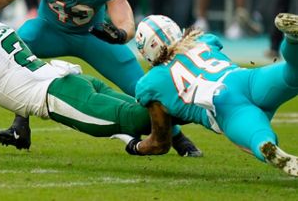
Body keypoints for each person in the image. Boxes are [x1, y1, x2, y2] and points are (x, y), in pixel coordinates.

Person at [0, 0, 202, 163]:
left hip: (62, 97)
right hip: (74, 81)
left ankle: (205, 98)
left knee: (140, 119)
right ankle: (202, 93)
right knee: (145, 109)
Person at [0, 0, 186, 153]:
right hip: (49, 30)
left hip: (92, 36)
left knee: (139, 85)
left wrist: (120, 35)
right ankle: (20, 123)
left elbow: (124, 18)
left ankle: (178, 137)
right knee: (19, 47)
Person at [112, 13, 298, 176]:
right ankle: (291, 41)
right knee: (291, 73)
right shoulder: (204, 40)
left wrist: (136, 146)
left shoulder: (150, 84)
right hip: (245, 79)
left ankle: (267, 146)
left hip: (222, 101)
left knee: (256, 136)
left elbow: (160, 142)